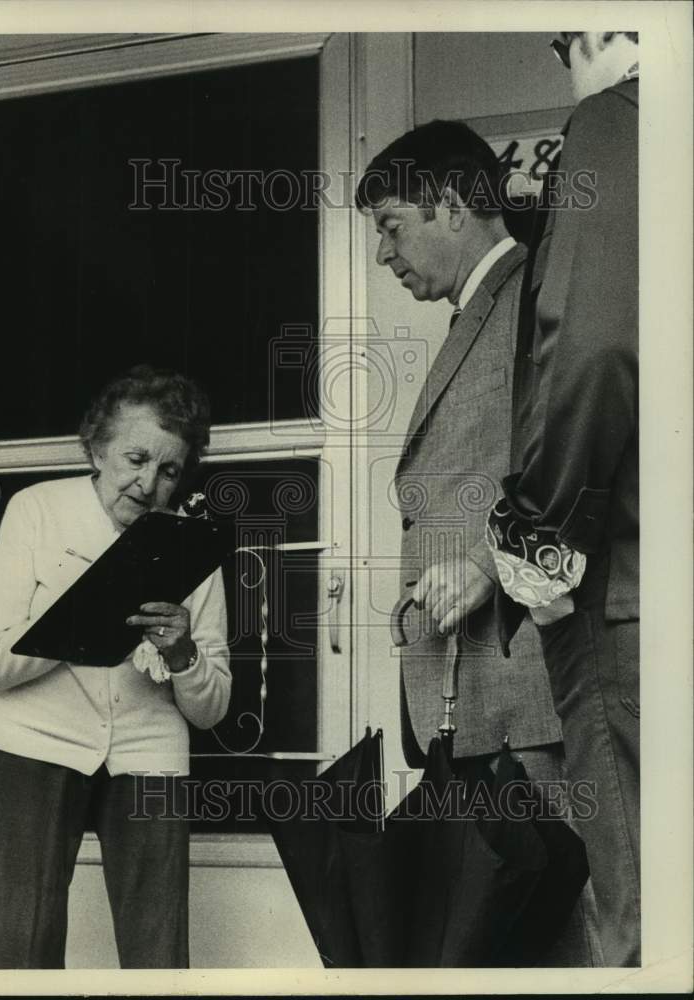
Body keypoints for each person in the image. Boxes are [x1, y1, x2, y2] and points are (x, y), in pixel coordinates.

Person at [356, 120, 600, 965]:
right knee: (496, 947)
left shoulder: (537, 295)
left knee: (553, 934)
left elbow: (589, 470)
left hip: (521, 692)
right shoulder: (481, 312)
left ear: (452, 205)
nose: (383, 254)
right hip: (468, 703)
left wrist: (489, 571)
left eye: (391, 226)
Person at [0, 364, 231, 969]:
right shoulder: (35, 510)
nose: (149, 483)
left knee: (158, 949)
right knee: (24, 941)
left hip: (149, 753)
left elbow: (212, 708)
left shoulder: (193, 549)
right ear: (95, 447)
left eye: (169, 470)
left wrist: (182, 652)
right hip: (33, 745)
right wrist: (90, 613)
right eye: (135, 458)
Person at [486, 32, 640, 967]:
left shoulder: (617, 119)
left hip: (625, 593)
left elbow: (589, 352)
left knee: (638, 916)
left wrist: (534, 547)